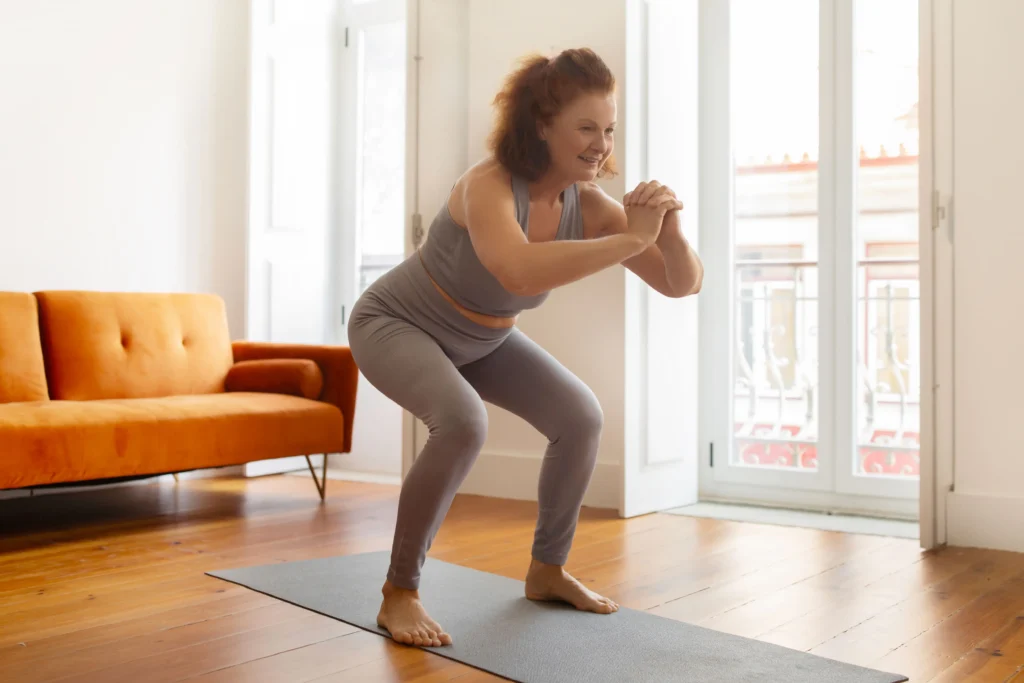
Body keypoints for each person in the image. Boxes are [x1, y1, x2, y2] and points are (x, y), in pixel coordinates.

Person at [347, 47, 703, 648]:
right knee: (462, 423)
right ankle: (399, 592)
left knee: (579, 416)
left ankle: (547, 570)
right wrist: (630, 239)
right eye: (586, 127)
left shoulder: (586, 204)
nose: (601, 143)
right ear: (542, 126)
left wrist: (668, 232)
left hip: (485, 336)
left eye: (609, 129)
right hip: (397, 322)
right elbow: (517, 270)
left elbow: (679, 283)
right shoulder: (485, 185)